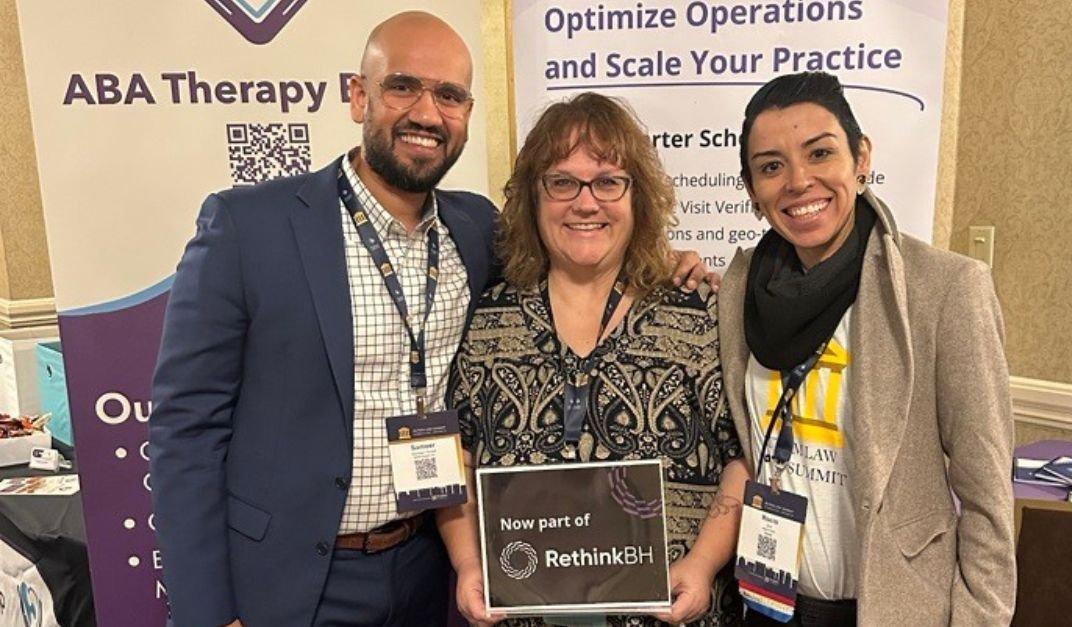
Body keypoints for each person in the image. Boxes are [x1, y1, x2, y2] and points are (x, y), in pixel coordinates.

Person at [149, 12, 714, 626]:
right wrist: (208, 614)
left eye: (449, 95)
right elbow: (186, 432)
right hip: (286, 578)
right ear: (358, 95)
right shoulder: (248, 228)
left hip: (425, 569)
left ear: (467, 114)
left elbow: (582, 239)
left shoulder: (475, 230)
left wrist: (665, 262)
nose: (426, 113)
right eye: (402, 86)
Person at [437, 92, 750, 627]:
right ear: (532, 197)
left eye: (608, 182)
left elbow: (742, 458)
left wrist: (701, 566)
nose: (586, 203)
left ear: (638, 198)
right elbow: (455, 456)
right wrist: (468, 565)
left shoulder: (701, 312)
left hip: (672, 616)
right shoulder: (490, 315)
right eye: (562, 182)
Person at [719, 72, 1016, 626]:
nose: (798, 181)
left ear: (861, 159)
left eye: (820, 153)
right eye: (771, 166)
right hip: (767, 604)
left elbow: (987, 498)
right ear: (753, 191)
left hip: (889, 608)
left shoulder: (946, 289)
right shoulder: (739, 293)